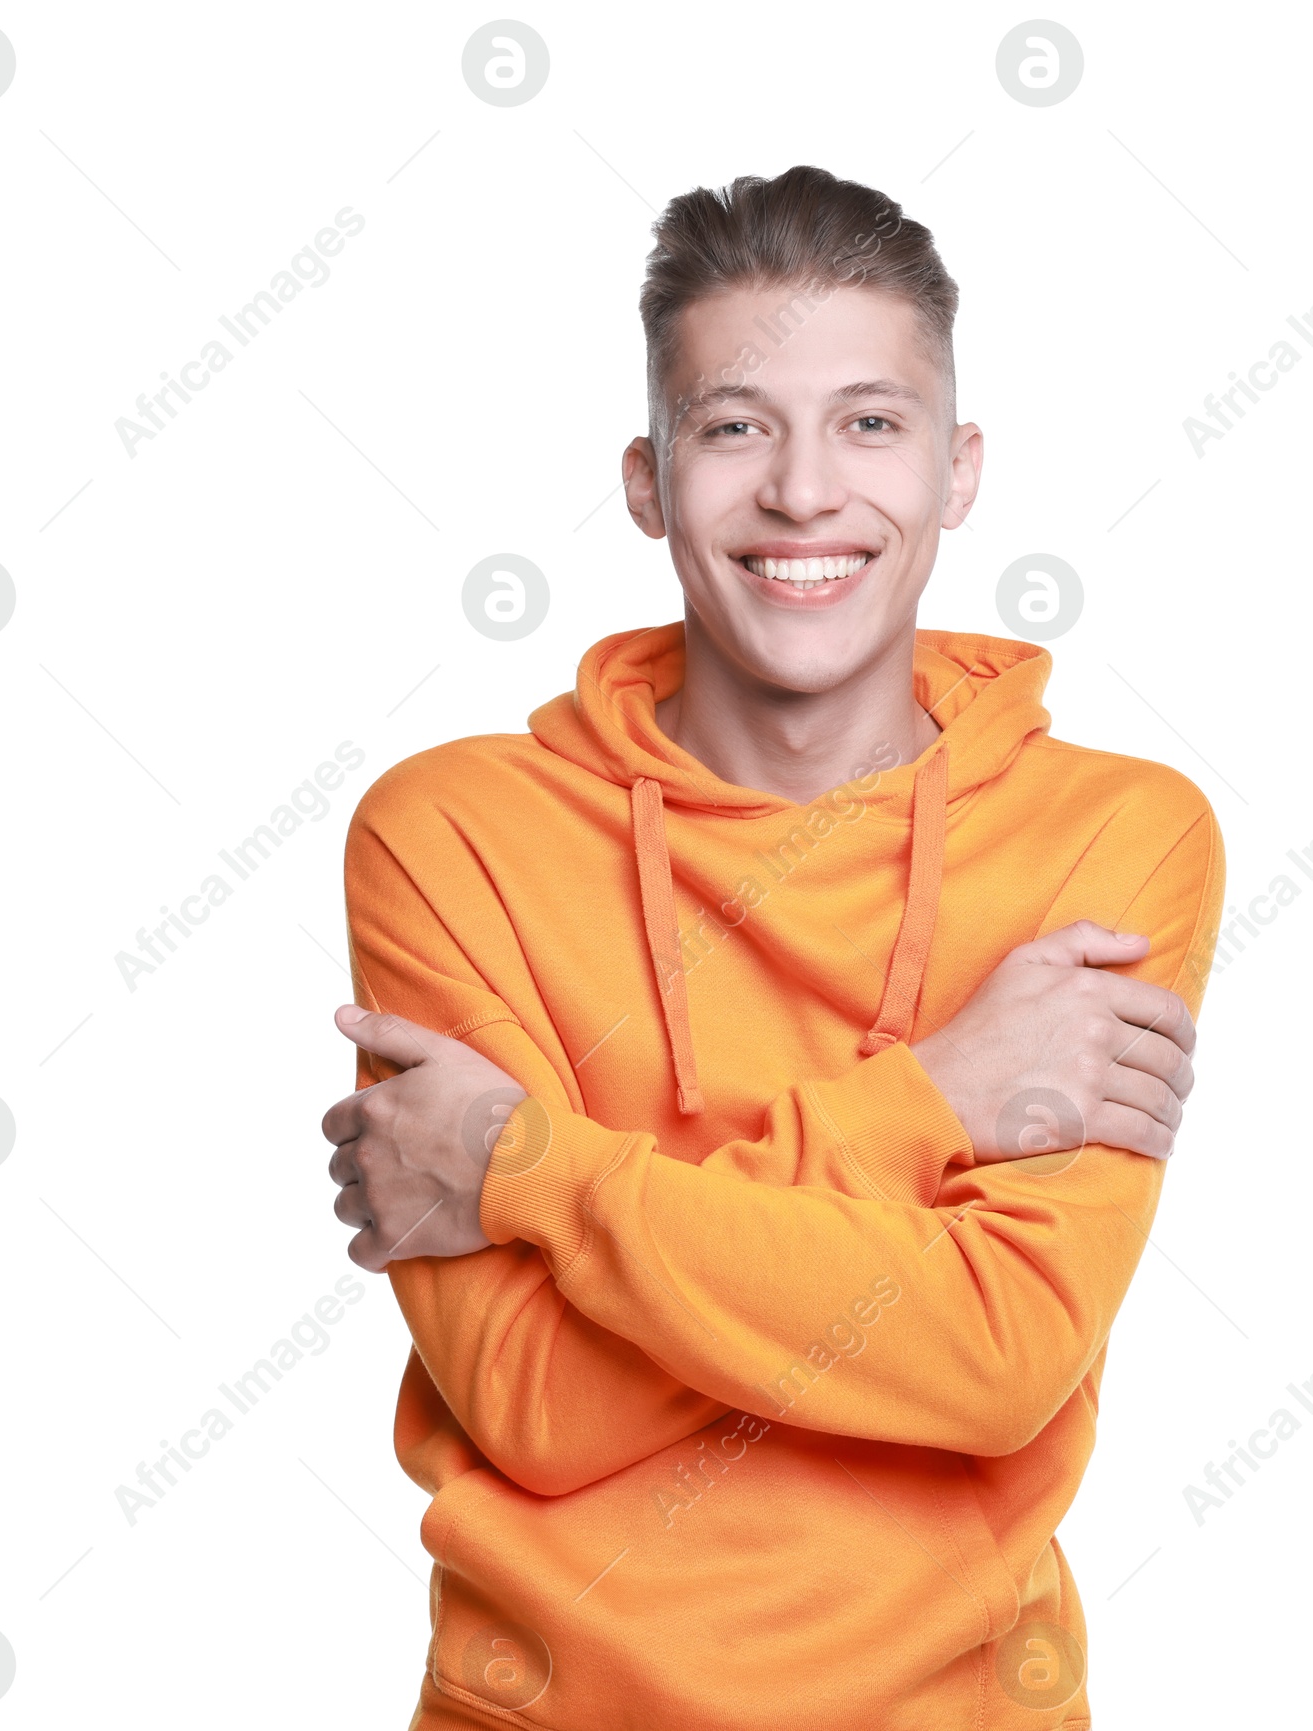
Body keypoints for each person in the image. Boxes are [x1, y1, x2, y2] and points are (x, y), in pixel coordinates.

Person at [321, 164, 1224, 1731]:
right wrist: (932, 1101)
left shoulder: (1116, 836)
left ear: (959, 472)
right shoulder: (452, 830)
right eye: (737, 426)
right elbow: (534, 1407)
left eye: (872, 423)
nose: (806, 493)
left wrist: (527, 1172)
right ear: (648, 480)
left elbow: (998, 1357)